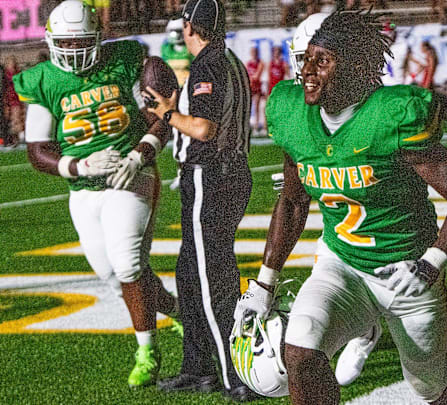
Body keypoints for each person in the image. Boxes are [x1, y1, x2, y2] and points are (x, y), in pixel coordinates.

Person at [234, 10, 447, 404]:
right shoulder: (292, 114)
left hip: (405, 273)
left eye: (324, 60)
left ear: (355, 67)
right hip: (342, 264)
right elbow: (292, 198)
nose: (308, 70)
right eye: (307, 59)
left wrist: (431, 263)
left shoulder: (390, 117)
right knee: (301, 348)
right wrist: (264, 282)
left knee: (433, 388)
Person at [13, 0, 180, 388]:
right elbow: (38, 151)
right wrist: (78, 166)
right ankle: (178, 312)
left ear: (99, 37)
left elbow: (161, 118)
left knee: (128, 266)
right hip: (83, 189)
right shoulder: (43, 79)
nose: (73, 51)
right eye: (66, 44)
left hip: (128, 178)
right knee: (110, 274)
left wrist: (140, 155)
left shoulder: (124, 60)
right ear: (52, 41)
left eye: (82, 42)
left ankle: (147, 352)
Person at [143, 0, 256, 401]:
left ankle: (236, 375)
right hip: (229, 173)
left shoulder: (207, 66)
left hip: (211, 177)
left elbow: (204, 128)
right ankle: (198, 367)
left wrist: (166, 113)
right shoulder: (228, 60)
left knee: (213, 282)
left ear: (190, 26)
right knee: (189, 276)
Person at [161, 18, 194, 87]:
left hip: (188, 85)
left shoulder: (191, 49)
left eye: (178, 32)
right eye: (172, 32)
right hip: (172, 87)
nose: (175, 35)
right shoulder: (166, 49)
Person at [246, 46, 265, 135]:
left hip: (256, 88)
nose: (254, 53)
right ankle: (249, 125)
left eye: (255, 52)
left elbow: (257, 76)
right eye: (252, 52)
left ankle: (256, 126)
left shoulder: (260, 63)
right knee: (248, 107)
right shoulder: (248, 63)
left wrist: (251, 78)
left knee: (256, 107)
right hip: (250, 87)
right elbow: (246, 75)